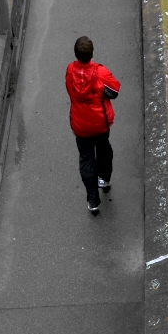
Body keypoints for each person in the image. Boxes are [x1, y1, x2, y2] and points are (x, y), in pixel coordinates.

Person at [65, 36, 120, 215]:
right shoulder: (100, 72)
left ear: (76, 54)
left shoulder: (70, 71)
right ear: (92, 53)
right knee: (104, 151)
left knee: (86, 159)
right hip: (100, 124)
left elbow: (69, 89)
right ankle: (104, 179)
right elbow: (114, 91)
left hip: (80, 126)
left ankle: (92, 200)